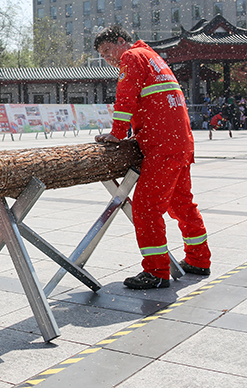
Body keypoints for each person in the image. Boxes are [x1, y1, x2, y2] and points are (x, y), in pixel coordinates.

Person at [93, 25, 211, 289]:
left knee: (146, 208)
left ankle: (157, 272)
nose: (107, 58)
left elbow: (126, 97)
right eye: (102, 55)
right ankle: (199, 259)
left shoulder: (132, 57)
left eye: (108, 50)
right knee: (181, 204)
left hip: (161, 146)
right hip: (180, 143)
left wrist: (117, 133)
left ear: (122, 41)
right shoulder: (154, 57)